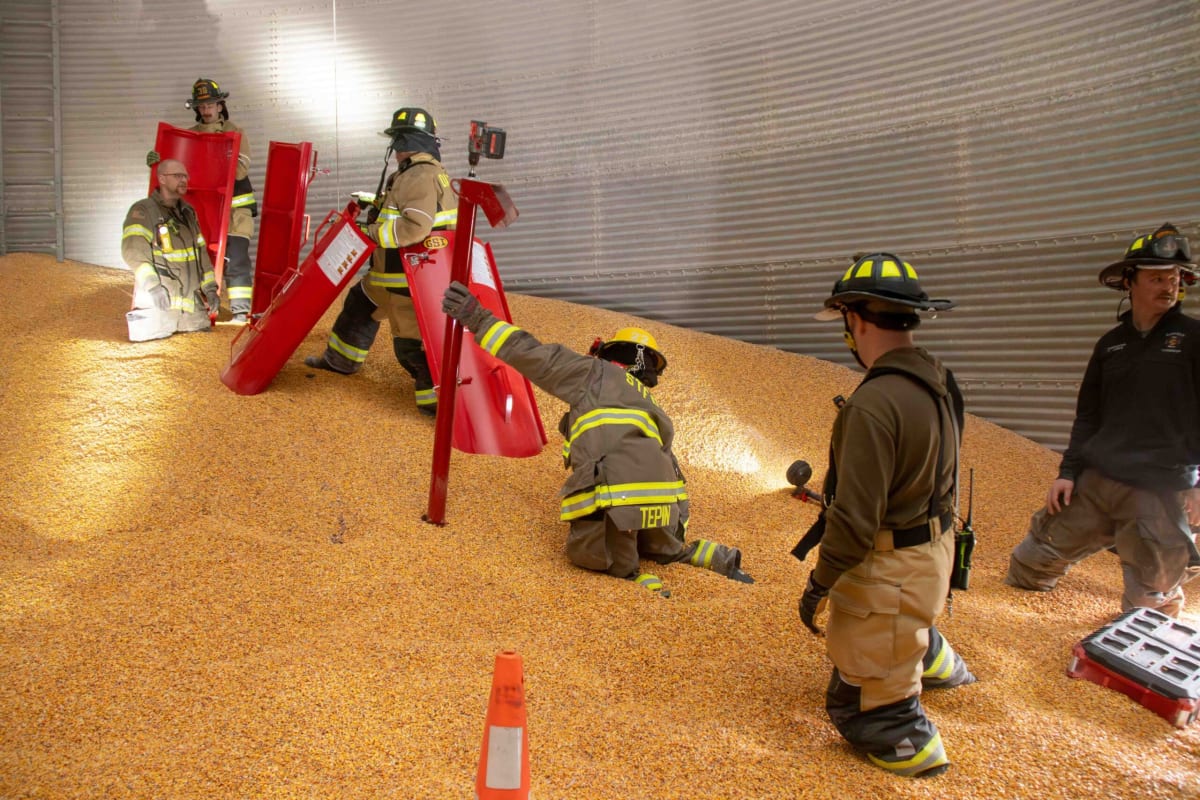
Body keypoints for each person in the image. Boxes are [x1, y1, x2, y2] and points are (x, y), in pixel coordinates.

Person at [441, 280, 754, 594]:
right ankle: (701, 554)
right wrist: (676, 528)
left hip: (619, 499)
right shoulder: (650, 402)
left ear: (609, 353)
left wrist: (478, 319)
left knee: (595, 555)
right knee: (662, 545)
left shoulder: (594, 373)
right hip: (663, 508)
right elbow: (674, 471)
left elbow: (535, 356)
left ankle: (636, 581)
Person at [796, 253, 975, 778]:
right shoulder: (940, 379)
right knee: (905, 624)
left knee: (859, 707)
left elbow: (853, 523)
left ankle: (912, 746)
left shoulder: (872, 405)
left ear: (855, 319)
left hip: (893, 572)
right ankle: (933, 658)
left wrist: (819, 583)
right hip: (932, 554)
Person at [1006, 223, 1200, 616]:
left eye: (1175, 277)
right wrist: (1068, 471)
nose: (1169, 286)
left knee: (1150, 609)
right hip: (1098, 483)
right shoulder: (1111, 344)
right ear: (1130, 281)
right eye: (1157, 277)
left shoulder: (1193, 339)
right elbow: (1089, 414)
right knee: (1027, 566)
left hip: (1159, 492)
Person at [305, 107, 458, 417]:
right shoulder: (421, 172)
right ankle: (340, 360)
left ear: (403, 142)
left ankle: (436, 404)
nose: (395, 148)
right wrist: (374, 202)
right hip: (395, 275)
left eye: (397, 140)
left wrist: (371, 232)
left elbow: (415, 227)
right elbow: (401, 209)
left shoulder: (418, 175)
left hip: (405, 278)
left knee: (411, 346)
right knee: (359, 303)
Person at [148, 78, 257, 323]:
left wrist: (212, 157)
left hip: (235, 213)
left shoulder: (236, 133)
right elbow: (177, 171)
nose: (206, 110)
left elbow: (240, 171)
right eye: (202, 106)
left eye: (211, 105)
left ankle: (241, 312)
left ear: (220, 105)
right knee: (202, 260)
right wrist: (158, 159)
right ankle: (205, 308)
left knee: (237, 259)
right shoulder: (190, 137)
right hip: (203, 212)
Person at [121, 159, 217, 339]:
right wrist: (154, 287)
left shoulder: (188, 212)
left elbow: (200, 254)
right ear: (162, 179)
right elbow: (133, 252)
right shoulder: (143, 211)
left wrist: (210, 289)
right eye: (177, 176)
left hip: (192, 315)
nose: (184, 180)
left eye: (185, 176)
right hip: (161, 308)